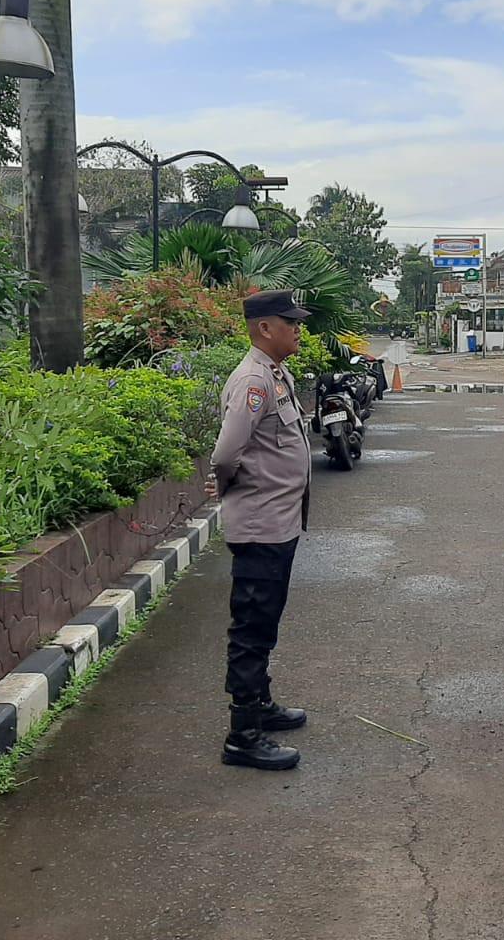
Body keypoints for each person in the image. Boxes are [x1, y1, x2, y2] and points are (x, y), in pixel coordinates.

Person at [207, 289, 314, 771]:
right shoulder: (253, 379)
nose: (297, 329)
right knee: (252, 626)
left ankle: (261, 706)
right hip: (260, 523)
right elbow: (227, 454)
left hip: (278, 519)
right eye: (289, 322)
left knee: (265, 621)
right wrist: (231, 487)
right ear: (264, 328)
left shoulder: (275, 373)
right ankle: (242, 735)